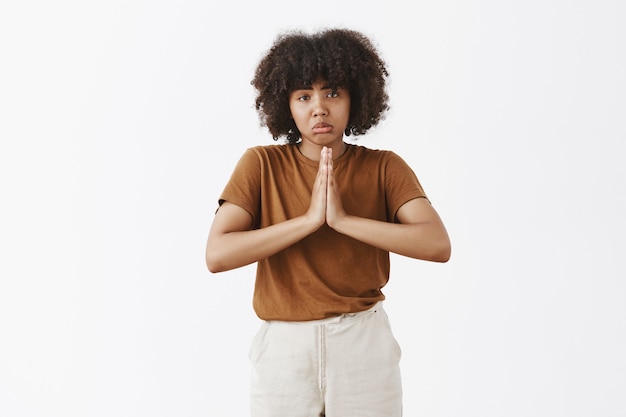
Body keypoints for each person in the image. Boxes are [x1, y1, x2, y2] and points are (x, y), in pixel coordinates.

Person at [205, 28, 451, 417]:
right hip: (284, 348)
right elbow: (217, 254)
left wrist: (342, 220)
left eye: (332, 92)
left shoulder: (384, 166)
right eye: (304, 96)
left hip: (362, 341)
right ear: (287, 105)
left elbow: (437, 244)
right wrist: (307, 221)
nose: (319, 107)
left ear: (356, 97)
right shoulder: (261, 164)